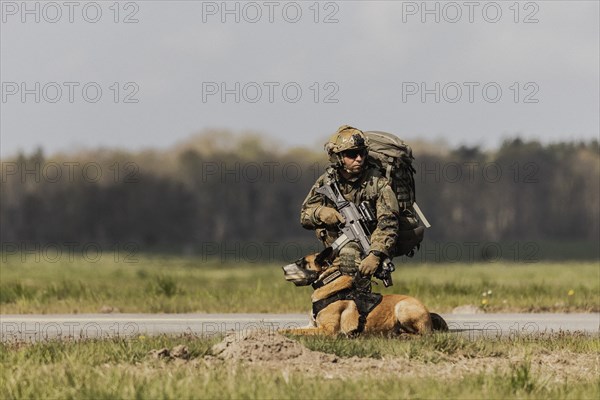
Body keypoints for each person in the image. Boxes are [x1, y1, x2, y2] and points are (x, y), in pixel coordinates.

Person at [300, 125, 400, 291]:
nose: (359, 158)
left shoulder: (378, 182)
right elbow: (304, 215)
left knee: (349, 255)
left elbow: (388, 223)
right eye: (352, 154)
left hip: (369, 243)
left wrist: (375, 254)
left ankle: (359, 304)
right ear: (338, 157)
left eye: (362, 153)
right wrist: (320, 213)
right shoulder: (326, 181)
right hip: (334, 246)